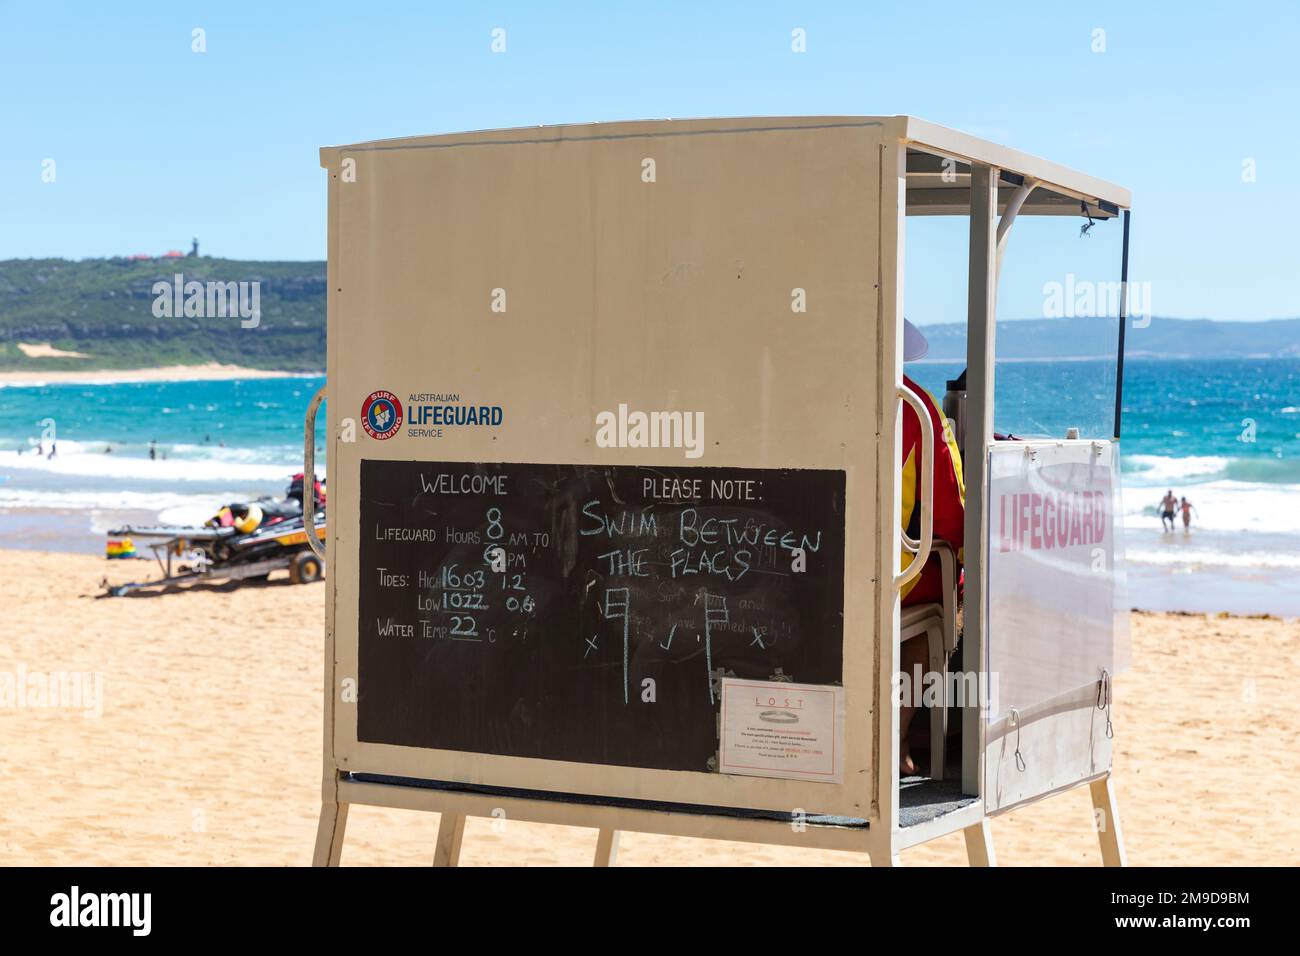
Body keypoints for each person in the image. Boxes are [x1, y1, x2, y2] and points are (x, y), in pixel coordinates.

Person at [898, 319, 965, 776]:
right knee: (946, 590)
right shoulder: (916, 406)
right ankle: (896, 740)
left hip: (784, 557)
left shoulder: (789, 387)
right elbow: (951, 517)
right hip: (886, 579)